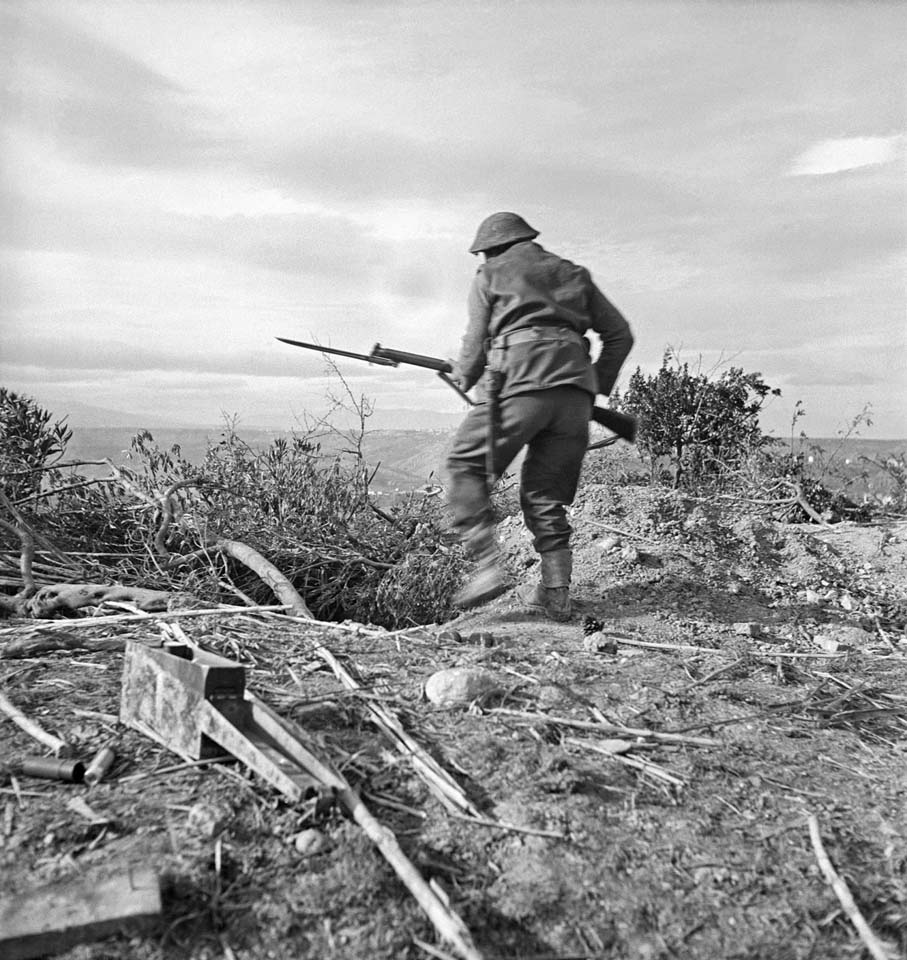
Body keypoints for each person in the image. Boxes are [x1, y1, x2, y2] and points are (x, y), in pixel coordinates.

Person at [445, 212, 634, 620]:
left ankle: (487, 568)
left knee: (465, 465)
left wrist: (462, 372)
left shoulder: (489, 275)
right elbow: (620, 334)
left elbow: (475, 346)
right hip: (575, 401)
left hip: (520, 384)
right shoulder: (574, 274)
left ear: (492, 249)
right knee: (546, 494)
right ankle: (557, 594)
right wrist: (593, 384)